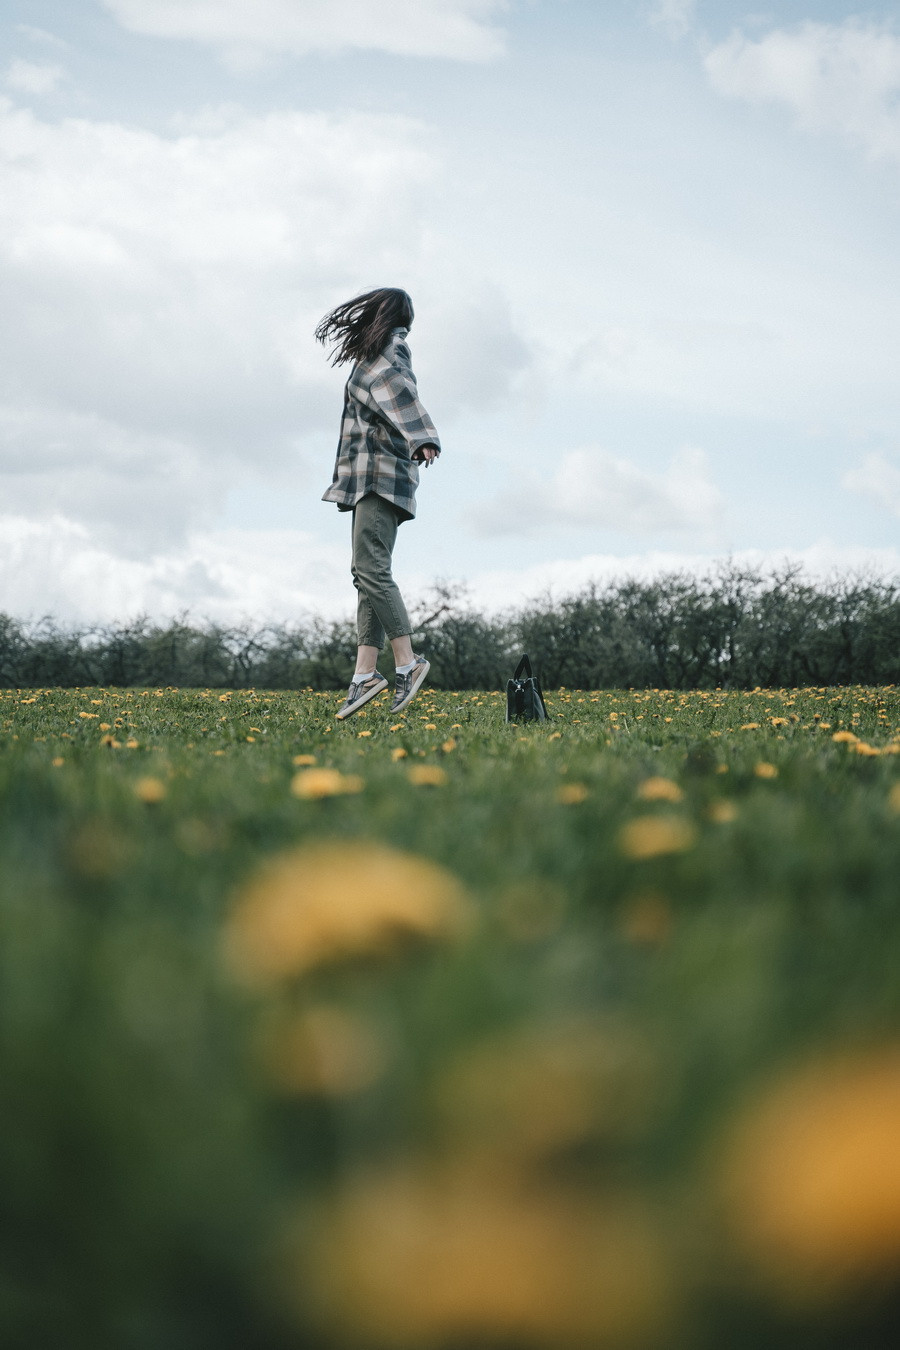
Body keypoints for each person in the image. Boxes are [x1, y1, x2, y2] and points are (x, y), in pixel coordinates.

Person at [316, 287, 441, 720]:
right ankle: (363, 675)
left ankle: (408, 661)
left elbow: (398, 391)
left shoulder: (388, 349)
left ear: (380, 314)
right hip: (377, 477)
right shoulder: (380, 349)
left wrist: (422, 435)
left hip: (380, 477)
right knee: (366, 573)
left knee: (369, 570)